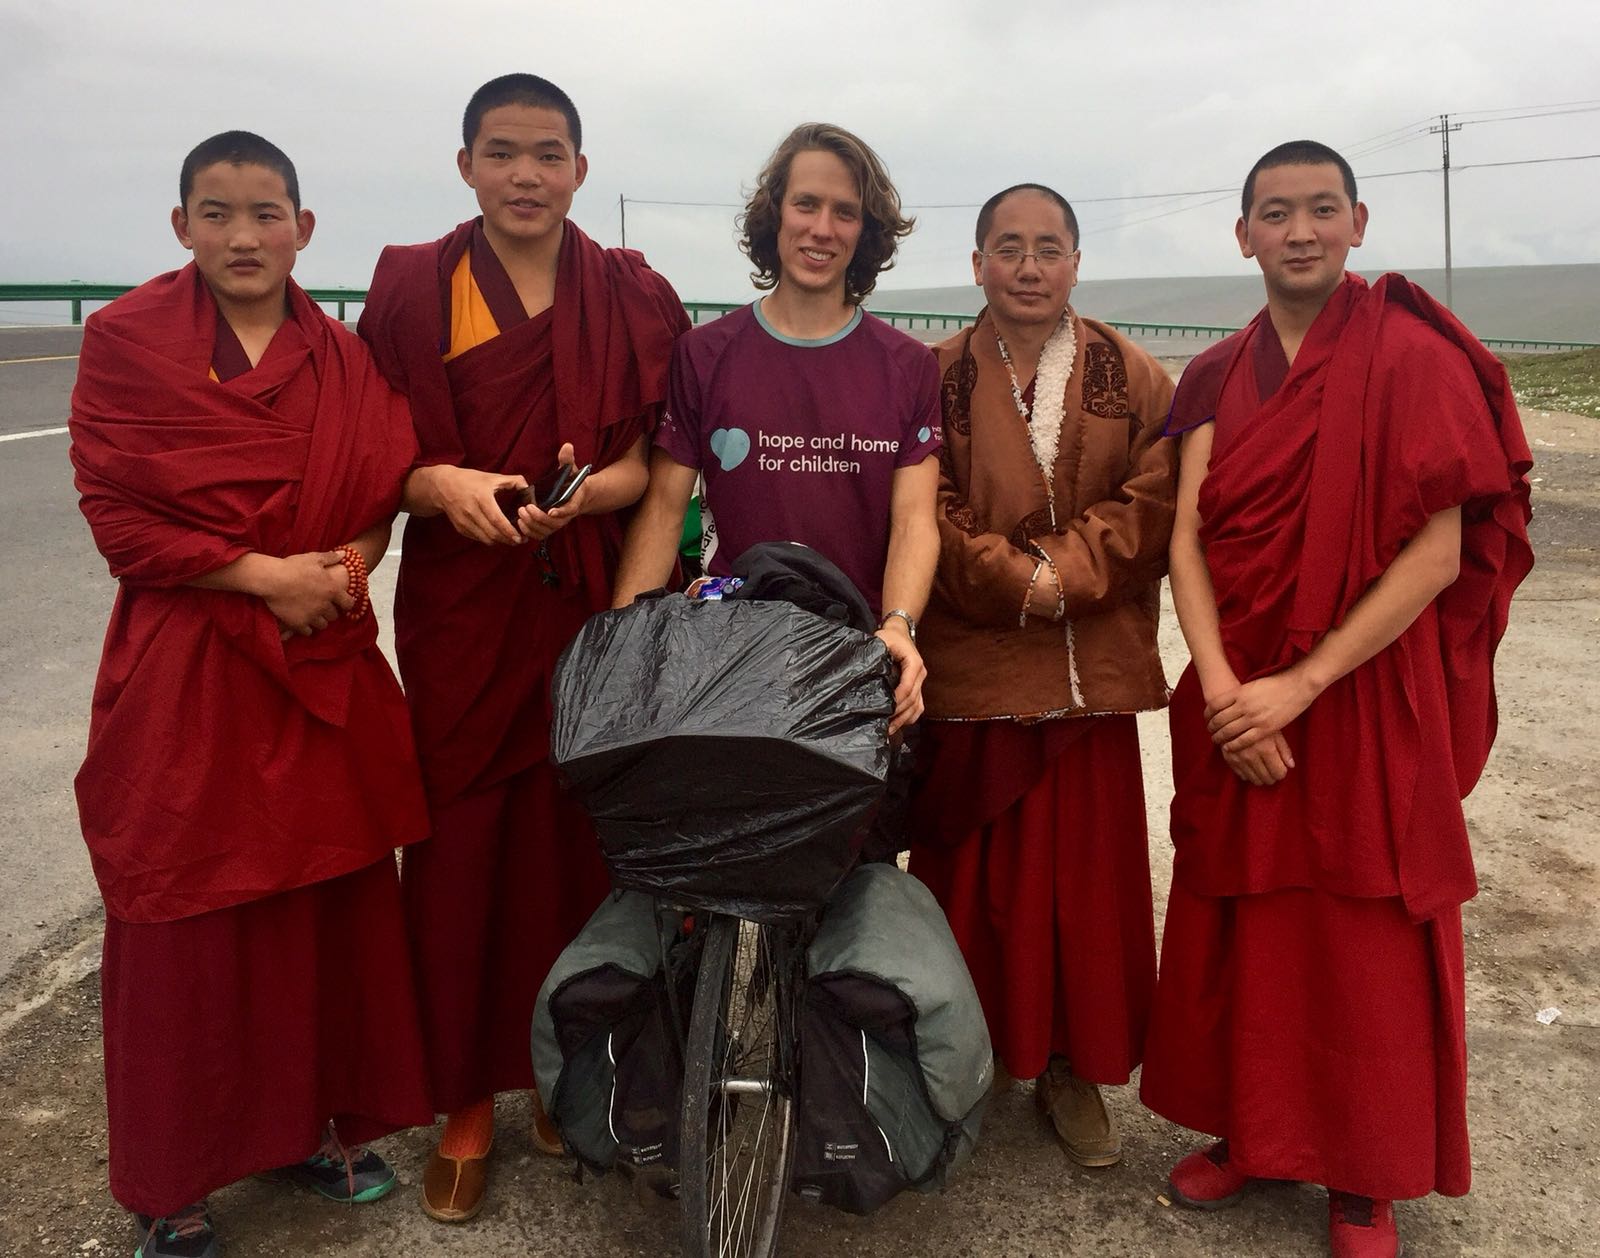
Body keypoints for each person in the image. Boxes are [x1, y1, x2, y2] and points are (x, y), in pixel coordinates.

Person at [1139, 140, 1533, 1258]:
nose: (1299, 230)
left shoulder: (1412, 358)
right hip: (1239, 693)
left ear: (1358, 223)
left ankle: (1365, 1173)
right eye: (1275, 212)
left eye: (1321, 209)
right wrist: (1228, 692)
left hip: (1359, 694)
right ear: (1243, 235)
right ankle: (1253, 1132)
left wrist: (1298, 688)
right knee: (1242, 912)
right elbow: (1186, 539)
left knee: (1362, 929)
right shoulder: (1216, 374)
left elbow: (1438, 553)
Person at [68, 131, 433, 1258]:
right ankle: (171, 1183)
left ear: (303, 229)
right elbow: (119, 517)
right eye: (217, 213)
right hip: (188, 667)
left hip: (317, 655)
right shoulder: (128, 343)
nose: (243, 236)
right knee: (182, 916)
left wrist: (345, 569)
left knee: (319, 904)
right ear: (181, 225)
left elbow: (381, 482)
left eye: (266, 213)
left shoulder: (342, 357)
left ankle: (309, 1128)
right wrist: (267, 578)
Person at [357, 73, 688, 1223]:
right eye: (501, 153)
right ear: (465, 166)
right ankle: (462, 1098)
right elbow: (375, 457)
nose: (526, 175)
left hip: (585, 601)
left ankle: (564, 1069)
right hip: (462, 612)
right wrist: (438, 484)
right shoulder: (411, 286)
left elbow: (659, 462)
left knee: (575, 846)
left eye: (548, 154)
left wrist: (589, 495)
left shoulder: (632, 292)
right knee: (458, 854)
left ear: (580, 170)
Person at [905, 184, 1177, 1167]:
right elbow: (919, 505)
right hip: (971, 672)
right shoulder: (929, 375)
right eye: (1009, 248)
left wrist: (1065, 572)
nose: (1029, 267)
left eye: (1048, 248)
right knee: (970, 885)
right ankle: (958, 1062)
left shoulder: (1132, 374)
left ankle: (1072, 1067)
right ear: (976, 262)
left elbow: (1157, 497)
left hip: (1086, 675)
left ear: (1076, 263)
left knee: (1085, 892)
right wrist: (1008, 577)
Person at [610, 122, 940, 736]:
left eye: (845, 212)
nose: (822, 228)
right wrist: (625, 638)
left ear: (866, 231)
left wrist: (899, 625)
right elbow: (664, 507)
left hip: (856, 656)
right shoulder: (704, 353)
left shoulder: (909, 366)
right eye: (806, 204)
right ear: (775, 212)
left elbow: (915, 519)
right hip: (725, 651)